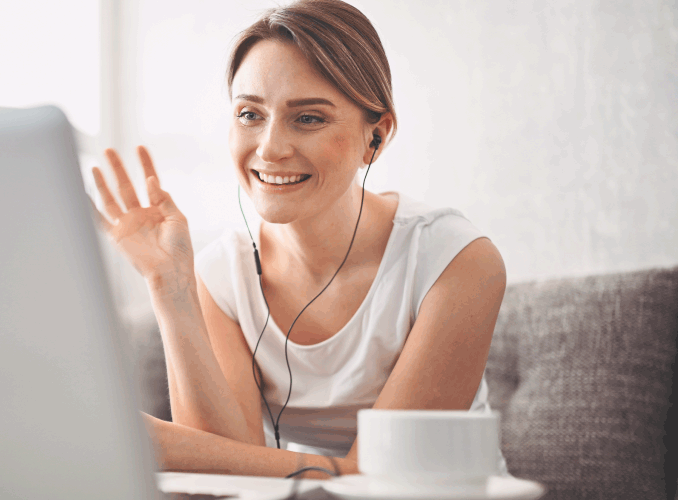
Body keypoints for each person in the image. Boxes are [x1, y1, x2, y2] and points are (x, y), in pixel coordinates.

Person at [89, 0, 509, 480]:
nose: (270, 148)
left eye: (308, 118)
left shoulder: (455, 260)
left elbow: (393, 476)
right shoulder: (221, 275)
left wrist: (181, 450)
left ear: (378, 135)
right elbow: (225, 477)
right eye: (250, 114)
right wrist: (171, 288)